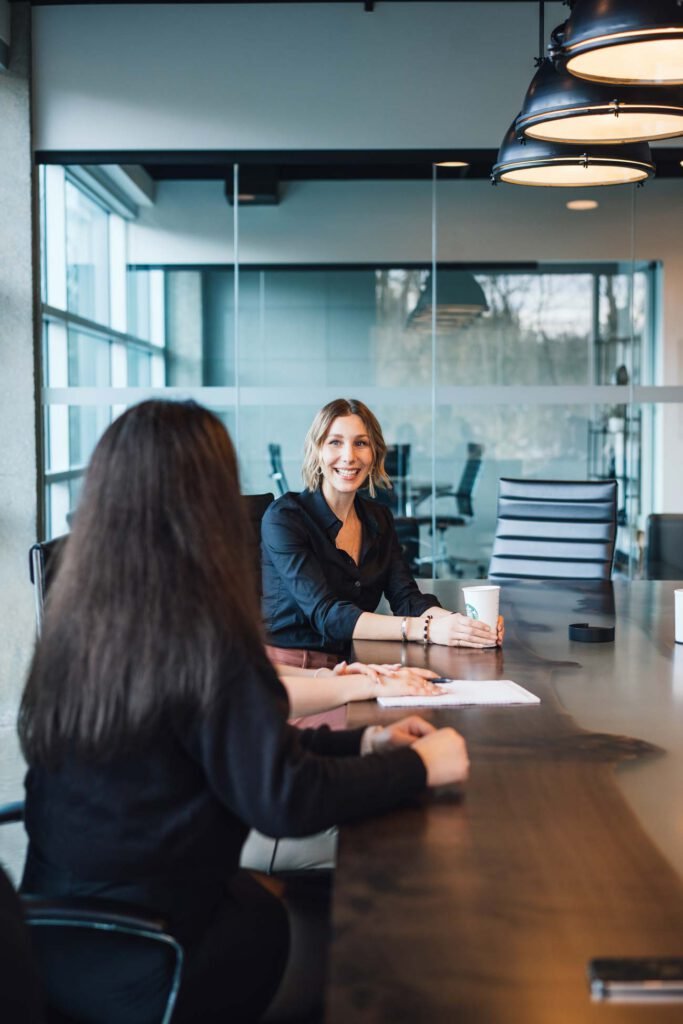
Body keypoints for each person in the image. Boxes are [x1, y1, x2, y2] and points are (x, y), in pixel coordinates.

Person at [18, 400, 470, 1024]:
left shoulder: (83, 625)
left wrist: (368, 746)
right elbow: (282, 794)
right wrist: (419, 766)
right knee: (386, 901)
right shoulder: (197, 626)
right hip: (158, 958)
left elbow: (241, 740)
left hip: (47, 945)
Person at [262, 397, 504, 666]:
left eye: (361, 443)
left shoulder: (378, 519)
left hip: (356, 661)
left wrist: (461, 626)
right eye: (335, 442)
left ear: (374, 452)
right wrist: (426, 630)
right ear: (317, 451)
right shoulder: (285, 518)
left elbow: (406, 598)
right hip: (293, 671)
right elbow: (327, 615)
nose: (349, 456)